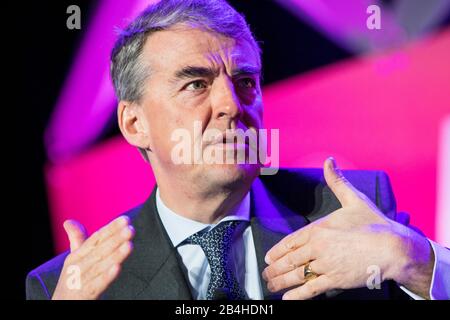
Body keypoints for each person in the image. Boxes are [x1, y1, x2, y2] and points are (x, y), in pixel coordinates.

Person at [26, 0, 449, 300]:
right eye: (196, 84)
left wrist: (414, 260)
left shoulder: (352, 209)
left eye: (245, 81)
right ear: (134, 124)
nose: (232, 105)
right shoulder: (71, 286)